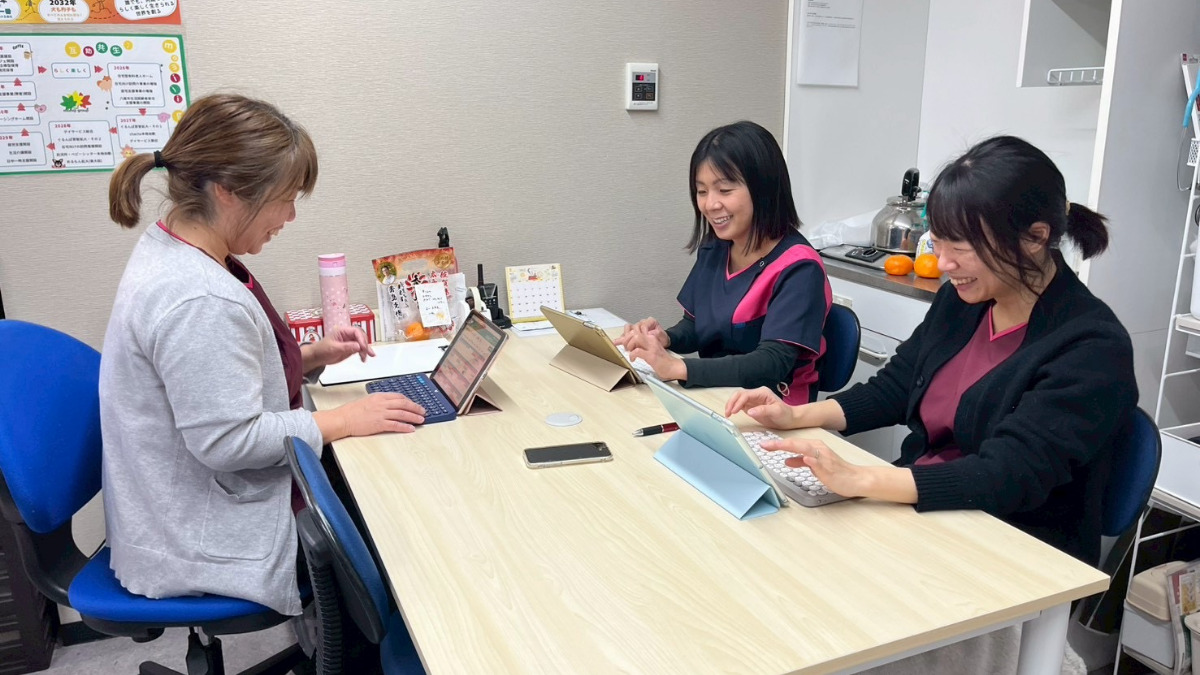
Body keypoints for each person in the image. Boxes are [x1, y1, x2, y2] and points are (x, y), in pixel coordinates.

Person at [726, 135, 1137, 567]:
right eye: (938, 243)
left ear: (1034, 238)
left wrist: (859, 479)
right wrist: (794, 417)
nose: (943, 264)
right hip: (925, 514)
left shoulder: (1091, 347)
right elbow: (895, 388)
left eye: (961, 247)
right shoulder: (964, 301)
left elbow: (1006, 475)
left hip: (1011, 549)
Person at [100, 94, 425, 616]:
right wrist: (345, 419)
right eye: (286, 199)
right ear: (228, 191)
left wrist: (311, 356)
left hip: (173, 506)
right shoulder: (198, 296)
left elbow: (215, 375)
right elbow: (229, 440)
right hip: (197, 538)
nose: (291, 216)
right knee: (398, 533)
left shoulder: (178, 247)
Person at [614, 121, 831, 404]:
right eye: (702, 191)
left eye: (725, 190)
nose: (710, 204)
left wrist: (678, 368)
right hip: (715, 395)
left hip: (774, 408)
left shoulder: (800, 268)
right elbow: (696, 326)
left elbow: (771, 363)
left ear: (763, 189)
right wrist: (664, 338)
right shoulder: (716, 248)